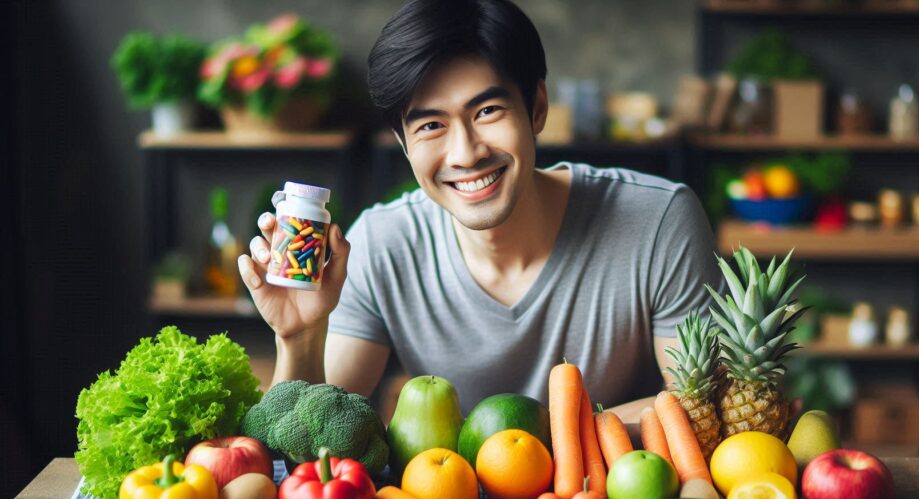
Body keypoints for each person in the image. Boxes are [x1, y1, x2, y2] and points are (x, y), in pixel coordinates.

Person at [237, 0, 722, 423]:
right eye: (430, 125)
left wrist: (531, 445)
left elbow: (699, 406)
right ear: (404, 144)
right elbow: (313, 433)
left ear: (536, 108)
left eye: (487, 112)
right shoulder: (383, 243)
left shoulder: (658, 221)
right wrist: (299, 335)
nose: (466, 153)